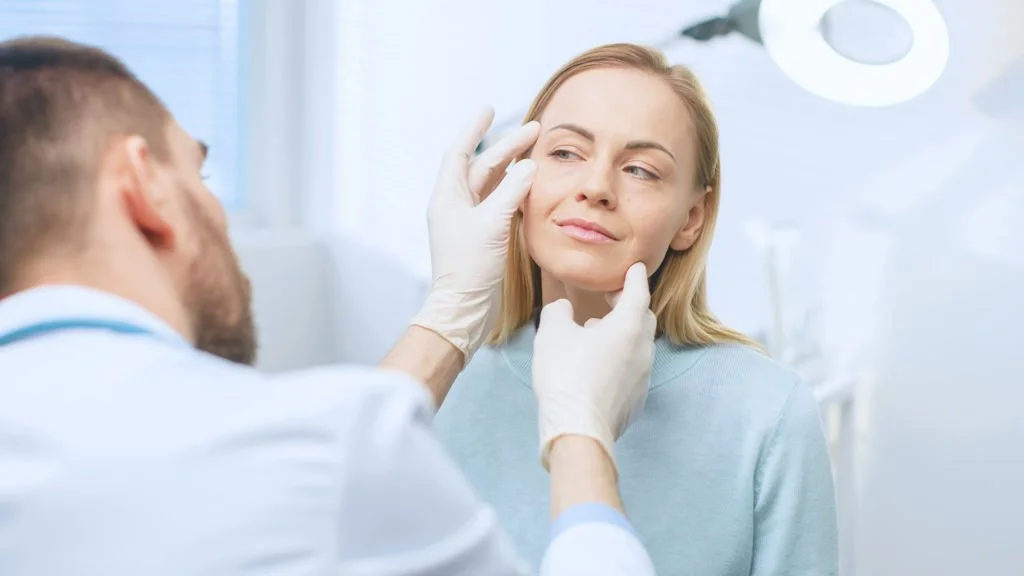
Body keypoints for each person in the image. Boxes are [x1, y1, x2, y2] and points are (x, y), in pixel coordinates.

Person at [0, 36, 659, 575]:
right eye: (199, 175)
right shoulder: (321, 455)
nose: (595, 187)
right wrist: (581, 437)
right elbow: (329, 466)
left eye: (641, 167)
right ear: (143, 186)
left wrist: (451, 314)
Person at [435, 43, 840, 575]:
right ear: (517, 175)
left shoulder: (767, 411)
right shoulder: (442, 386)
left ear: (691, 217)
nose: (596, 188)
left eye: (642, 170)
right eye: (566, 153)